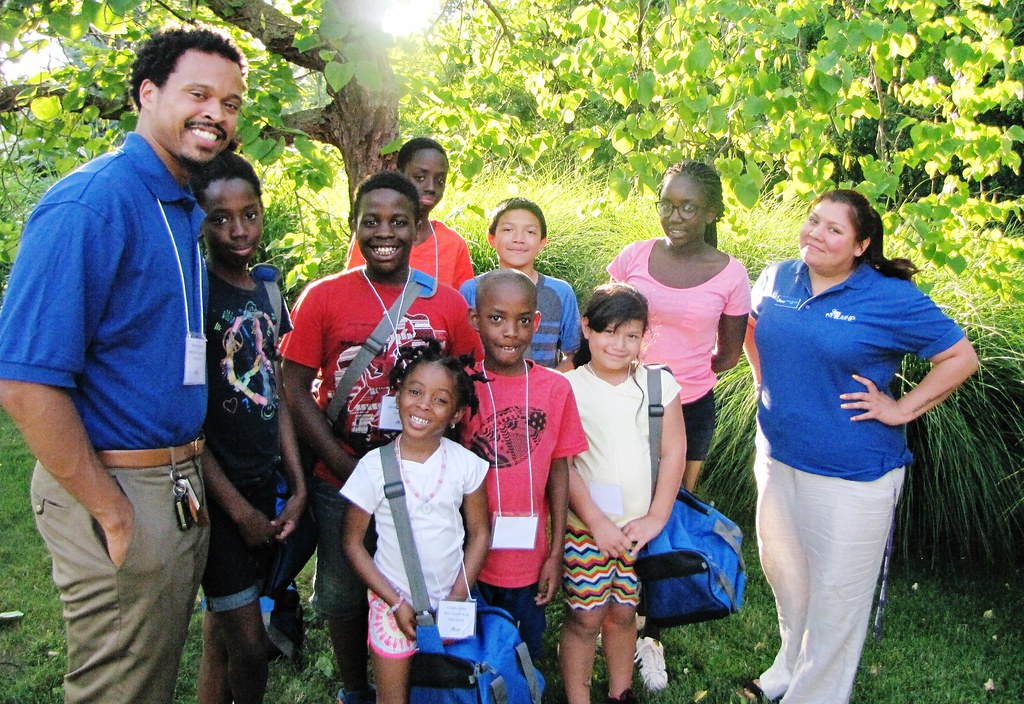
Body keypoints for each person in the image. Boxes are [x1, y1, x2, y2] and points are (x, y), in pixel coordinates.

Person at [0, 26, 246, 703]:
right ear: (147, 92)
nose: (217, 115)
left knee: (151, 681)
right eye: (199, 93)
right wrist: (113, 515)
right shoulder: (93, 202)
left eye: (231, 104)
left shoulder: (174, 204)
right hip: (117, 486)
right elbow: (25, 383)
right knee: (120, 691)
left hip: (175, 483)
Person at [740, 189, 979, 704]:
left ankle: (817, 695)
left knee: (836, 600)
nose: (816, 235)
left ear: (860, 244)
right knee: (787, 578)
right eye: (813, 221)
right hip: (778, 457)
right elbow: (753, 325)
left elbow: (961, 358)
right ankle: (787, 667)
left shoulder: (889, 298)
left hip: (854, 473)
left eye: (834, 229)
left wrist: (899, 409)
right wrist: (765, 380)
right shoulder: (779, 276)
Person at [280, 170, 483, 704]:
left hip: (425, 476)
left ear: (419, 229)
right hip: (340, 473)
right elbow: (295, 387)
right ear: (353, 226)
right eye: (370, 220)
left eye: (399, 221)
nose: (384, 231)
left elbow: (465, 384)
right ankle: (356, 688)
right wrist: (345, 467)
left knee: (421, 574)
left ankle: (426, 677)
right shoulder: (323, 297)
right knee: (344, 590)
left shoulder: (447, 305)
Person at [607, 160, 750, 689]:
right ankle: (610, 615)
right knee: (619, 509)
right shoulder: (634, 256)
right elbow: (607, 323)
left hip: (688, 410)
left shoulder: (731, 273)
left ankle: (651, 636)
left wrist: (682, 372)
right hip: (625, 401)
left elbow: (729, 355)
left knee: (665, 521)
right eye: (667, 203)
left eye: (688, 206)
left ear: (712, 211)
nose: (675, 215)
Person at [191, 151, 307, 704]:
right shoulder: (194, 296)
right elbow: (185, 424)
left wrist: (298, 484)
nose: (239, 230)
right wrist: (237, 511)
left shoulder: (267, 290)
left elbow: (277, 391)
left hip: (264, 488)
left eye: (249, 214)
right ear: (199, 220)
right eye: (220, 217)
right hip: (217, 495)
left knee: (221, 636)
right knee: (252, 650)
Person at [341, 341, 491, 704]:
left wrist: (458, 594)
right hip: (391, 605)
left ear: (455, 414)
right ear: (397, 395)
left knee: (449, 691)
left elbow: (480, 533)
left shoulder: (465, 464)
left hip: (450, 602)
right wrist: (394, 602)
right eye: (415, 391)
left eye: (440, 400)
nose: (423, 405)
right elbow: (352, 543)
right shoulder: (374, 467)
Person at [559, 283, 687, 704]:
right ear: (586, 328)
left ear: (643, 338)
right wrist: (595, 521)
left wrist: (655, 518)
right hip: (585, 529)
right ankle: (578, 696)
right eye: (609, 332)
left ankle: (621, 692)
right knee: (586, 616)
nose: (619, 344)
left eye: (631, 335)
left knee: (624, 611)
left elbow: (673, 453)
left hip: (638, 530)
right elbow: (563, 464)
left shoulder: (657, 386)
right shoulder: (567, 387)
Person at [461, 269, 589, 658]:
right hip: (469, 555)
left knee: (523, 651)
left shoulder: (556, 388)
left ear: (536, 323)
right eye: (496, 318)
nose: (510, 332)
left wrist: (555, 554)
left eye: (522, 321)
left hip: (530, 557)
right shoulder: (460, 387)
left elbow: (560, 468)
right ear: (475, 320)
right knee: (472, 647)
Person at [460, 197, 581, 371]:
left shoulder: (561, 292)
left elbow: (572, 355)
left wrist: (546, 385)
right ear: (491, 238)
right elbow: (462, 352)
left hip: (543, 394)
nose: (519, 239)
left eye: (530, 232)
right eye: (508, 229)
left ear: (542, 242)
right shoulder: (472, 290)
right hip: (486, 393)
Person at [344, 137, 475, 288]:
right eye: (420, 177)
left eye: (440, 180)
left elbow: (462, 304)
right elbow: (352, 292)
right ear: (399, 174)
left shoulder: (453, 244)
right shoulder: (373, 236)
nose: (431, 187)